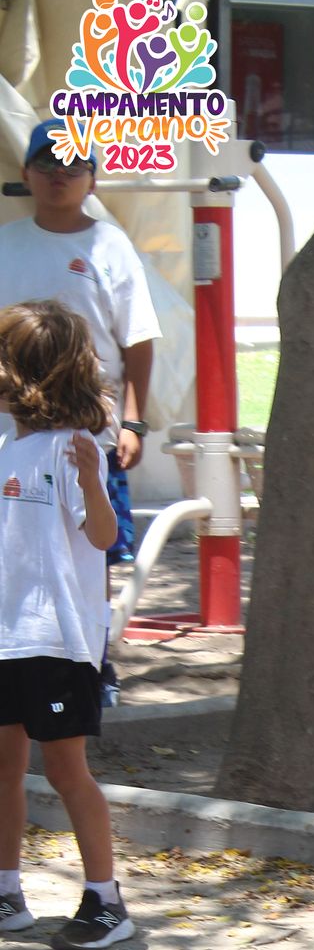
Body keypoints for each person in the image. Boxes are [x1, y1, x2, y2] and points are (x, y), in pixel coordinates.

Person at [0, 119, 162, 697]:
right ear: (26, 174)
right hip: (12, 431)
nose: (58, 176)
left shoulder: (110, 245)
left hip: (88, 431)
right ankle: (16, 654)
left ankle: (93, 663)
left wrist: (134, 421)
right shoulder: (7, 243)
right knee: (14, 543)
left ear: (92, 178)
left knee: (94, 549)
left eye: (72, 166)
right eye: (47, 164)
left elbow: (138, 339)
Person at [0, 299, 134, 950]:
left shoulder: (74, 449)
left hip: (57, 641)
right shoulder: (7, 446)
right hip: (6, 639)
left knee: (65, 770)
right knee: (4, 769)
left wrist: (92, 482)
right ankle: (7, 893)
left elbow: (103, 537)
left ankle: (106, 902)